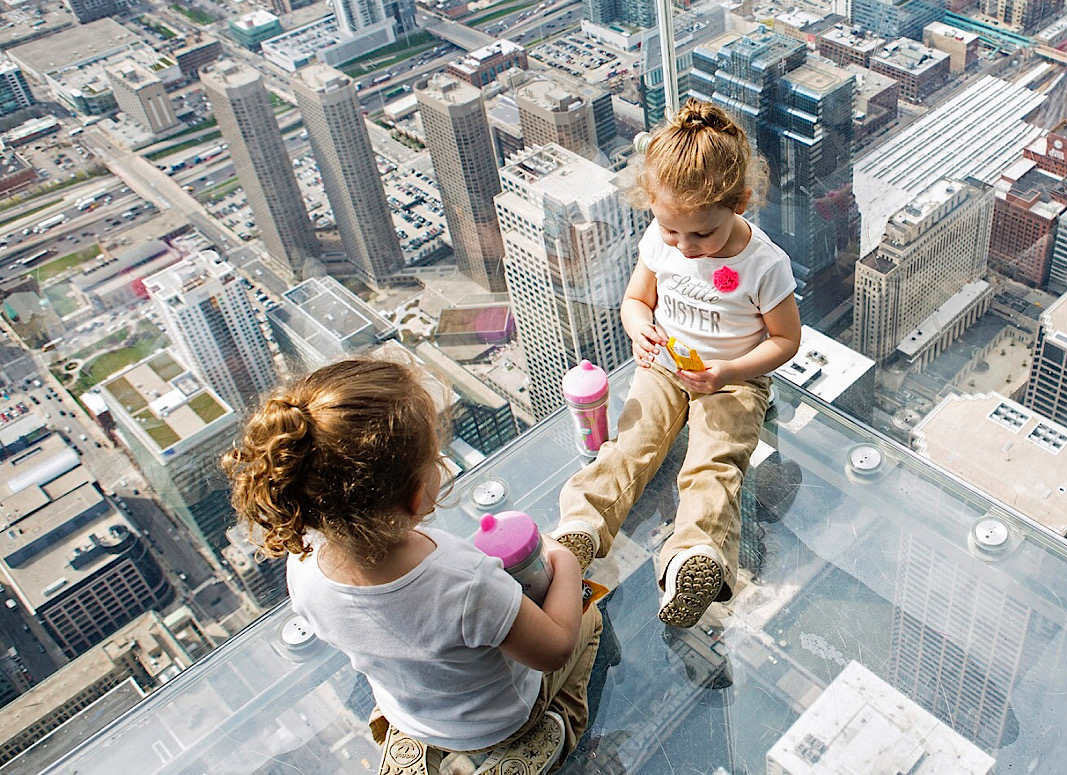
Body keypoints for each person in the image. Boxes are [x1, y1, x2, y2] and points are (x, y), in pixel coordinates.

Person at [223, 354, 602, 775]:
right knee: (589, 622)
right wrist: (565, 562)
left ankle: (412, 749)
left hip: (413, 711)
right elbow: (553, 650)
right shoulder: (463, 580)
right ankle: (545, 737)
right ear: (416, 495)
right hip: (500, 721)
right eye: (435, 459)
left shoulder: (303, 566)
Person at [555, 99, 802, 629]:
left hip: (731, 380)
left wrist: (725, 374)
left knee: (714, 461)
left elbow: (785, 342)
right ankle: (580, 525)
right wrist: (638, 327)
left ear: (739, 204)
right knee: (633, 443)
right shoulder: (660, 242)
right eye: (671, 231)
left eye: (701, 235)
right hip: (666, 366)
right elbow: (635, 301)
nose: (685, 248)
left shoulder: (764, 264)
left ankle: (696, 555)